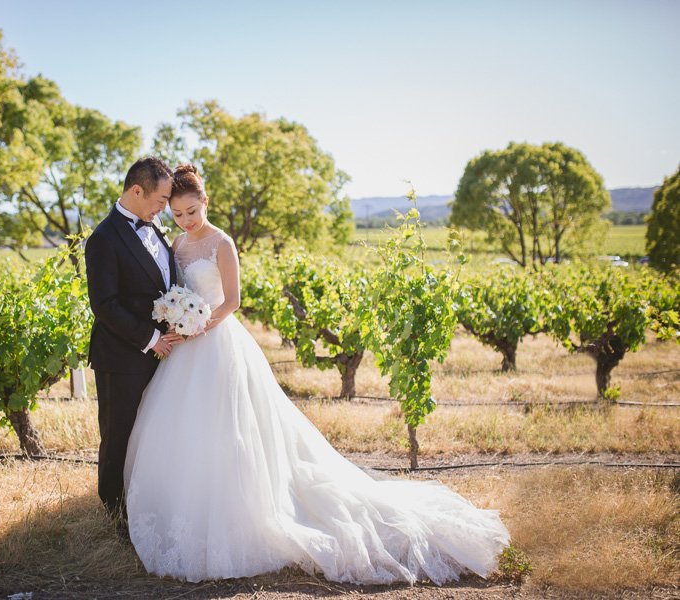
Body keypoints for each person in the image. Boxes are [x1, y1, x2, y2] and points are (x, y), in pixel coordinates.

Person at [123, 164, 510, 585]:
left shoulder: (222, 243)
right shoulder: (177, 242)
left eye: (192, 211)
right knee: (186, 427)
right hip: (185, 347)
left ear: (206, 202)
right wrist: (176, 319)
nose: (185, 220)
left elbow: (232, 301)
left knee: (229, 428)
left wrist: (198, 324)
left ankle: (241, 512)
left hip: (216, 341)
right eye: (177, 213)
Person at [84, 156, 183, 518]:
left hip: (163, 353)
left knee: (152, 431)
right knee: (118, 436)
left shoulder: (155, 226)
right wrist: (151, 339)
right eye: (161, 200)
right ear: (137, 191)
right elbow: (105, 304)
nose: (164, 208)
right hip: (121, 356)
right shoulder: (103, 239)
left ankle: (147, 501)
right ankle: (114, 511)